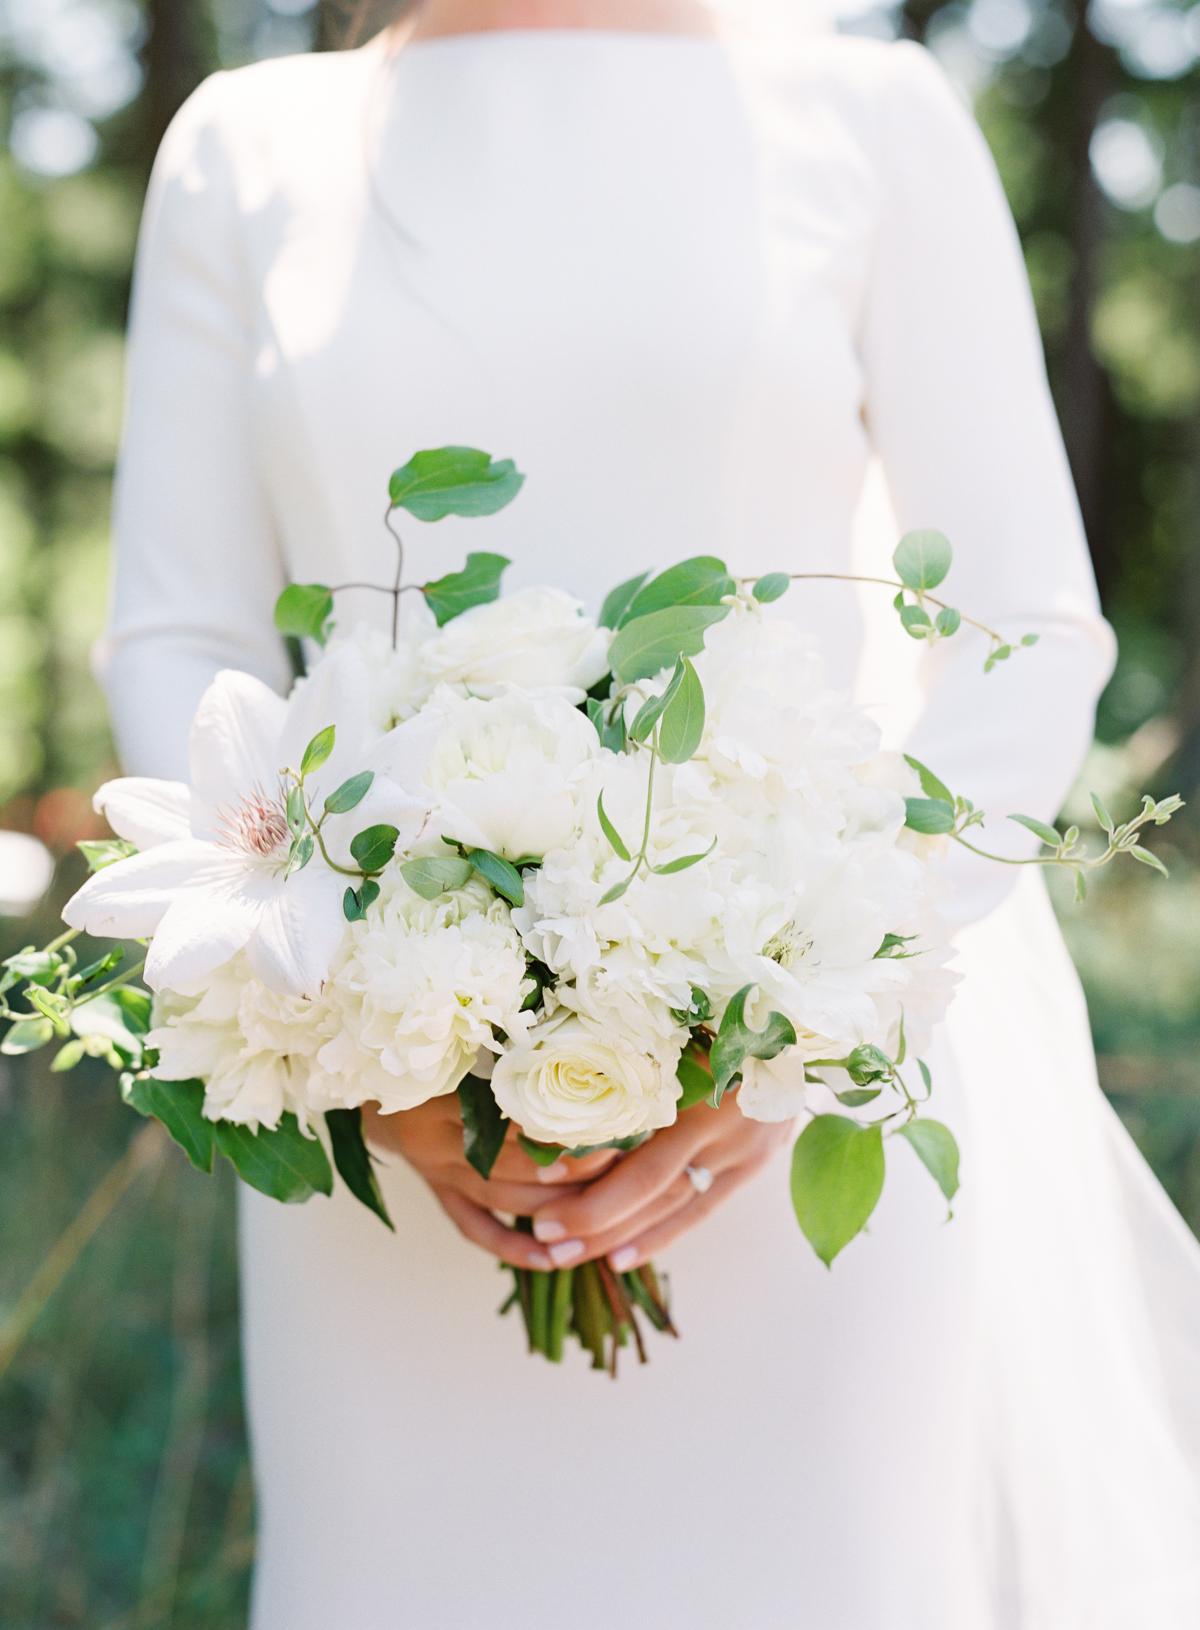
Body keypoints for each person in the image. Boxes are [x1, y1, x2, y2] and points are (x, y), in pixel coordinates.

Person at [102, 0, 1200, 1624]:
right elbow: (177, 634)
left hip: (809, 1128)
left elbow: (1028, 627)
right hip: (390, 1144)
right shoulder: (247, 151)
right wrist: (351, 1039)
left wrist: (802, 1020)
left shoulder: (874, 119)